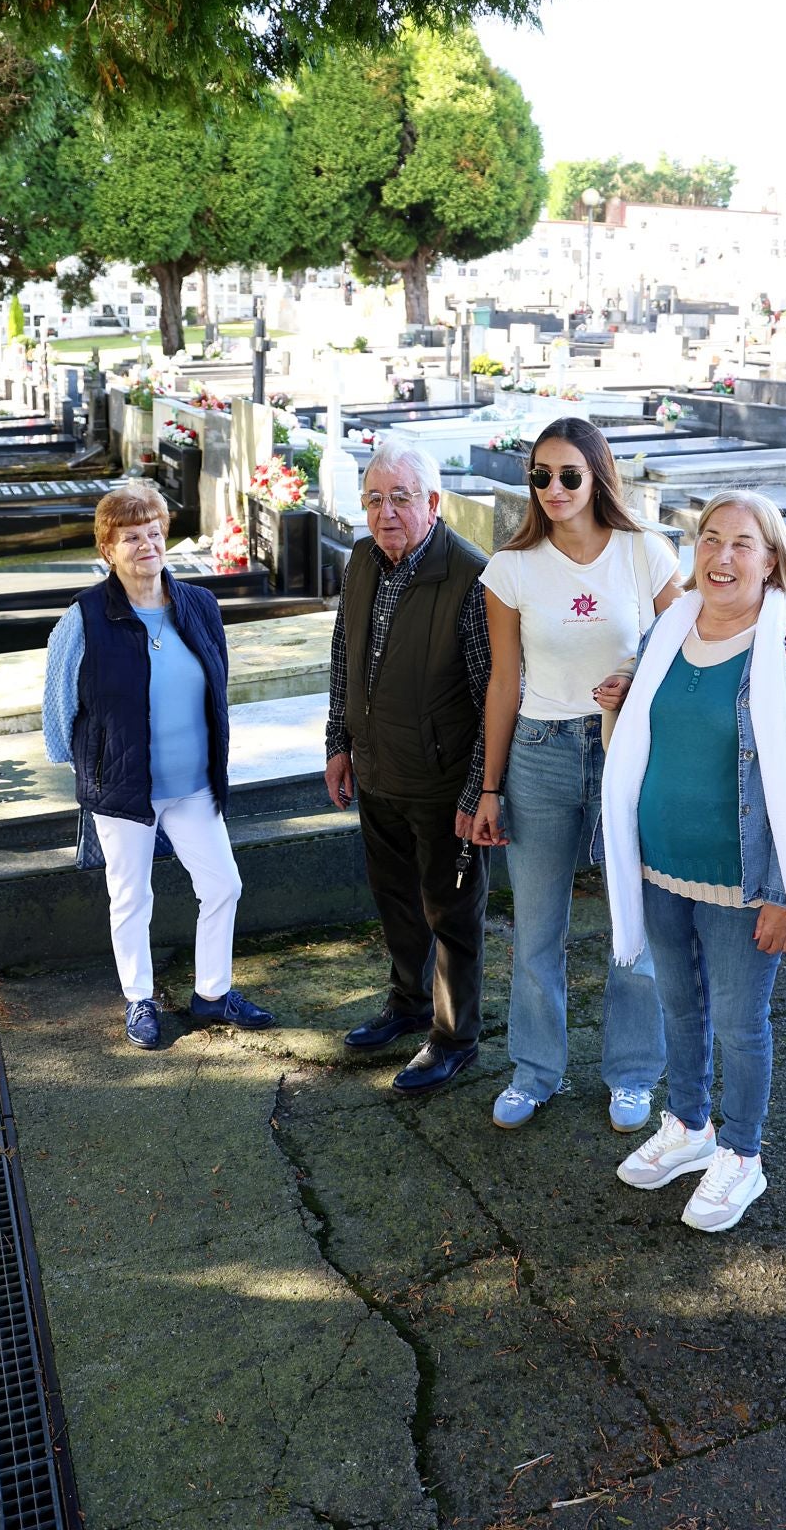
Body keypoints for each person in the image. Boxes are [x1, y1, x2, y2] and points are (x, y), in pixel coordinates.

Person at [601, 490, 786, 1231]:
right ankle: (688, 1125)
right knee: (678, 1005)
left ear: (772, 560)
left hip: (743, 880)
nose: (721, 556)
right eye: (709, 539)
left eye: (742, 543)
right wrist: (621, 697)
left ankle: (742, 1155)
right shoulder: (667, 631)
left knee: (742, 1024)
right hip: (659, 864)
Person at [473, 418, 683, 1133]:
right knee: (536, 928)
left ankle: (632, 1073)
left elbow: (680, 650)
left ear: (597, 475)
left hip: (627, 749)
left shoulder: (644, 552)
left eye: (568, 474)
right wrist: (490, 787)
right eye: (540, 475)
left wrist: (633, 676)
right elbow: (504, 682)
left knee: (634, 917)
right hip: (539, 749)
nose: (554, 488)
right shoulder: (511, 568)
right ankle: (535, 1071)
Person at [42, 484, 274, 1048]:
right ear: (108, 549)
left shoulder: (199, 605)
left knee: (223, 884)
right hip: (123, 788)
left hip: (194, 784)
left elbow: (215, 688)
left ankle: (212, 995)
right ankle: (139, 1000)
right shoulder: (85, 617)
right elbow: (57, 704)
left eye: (152, 532)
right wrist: (90, 766)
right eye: (130, 537)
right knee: (131, 896)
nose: (145, 545)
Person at [325, 440, 491, 1095]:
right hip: (377, 771)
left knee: (451, 914)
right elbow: (345, 655)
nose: (386, 512)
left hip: (443, 785)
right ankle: (408, 1003)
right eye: (374, 499)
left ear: (433, 503)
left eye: (401, 498)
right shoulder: (364, 559)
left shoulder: (471, 577)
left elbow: (493, 697)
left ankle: (455, 1037)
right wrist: (338, 742)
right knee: (395, 900)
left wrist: (480, 791)